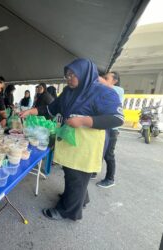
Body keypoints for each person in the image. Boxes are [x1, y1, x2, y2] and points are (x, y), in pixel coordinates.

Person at [20, 58, 124, 221]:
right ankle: (81, 198)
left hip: (87, 143)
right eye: (66, 75)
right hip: (70, 139)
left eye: (72, 75)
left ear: (85, 74)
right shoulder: (69, 91)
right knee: (73, 174)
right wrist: (30, 112)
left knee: (77, 175)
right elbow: (50, 109)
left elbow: (117, 118)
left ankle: (67, 211)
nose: (68, 78)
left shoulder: (102, 92)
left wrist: (84, 121)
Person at [96, 71, 124, 188]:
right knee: (99, 152)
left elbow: (105, 85)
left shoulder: (118, 90)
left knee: (109, 155)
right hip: (105, 128)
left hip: (112, 129)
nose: (103, 79)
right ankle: (93, 171)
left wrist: (94, 75)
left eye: (106, 78)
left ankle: (110, 179)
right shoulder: (105, 90)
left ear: (115, 80)